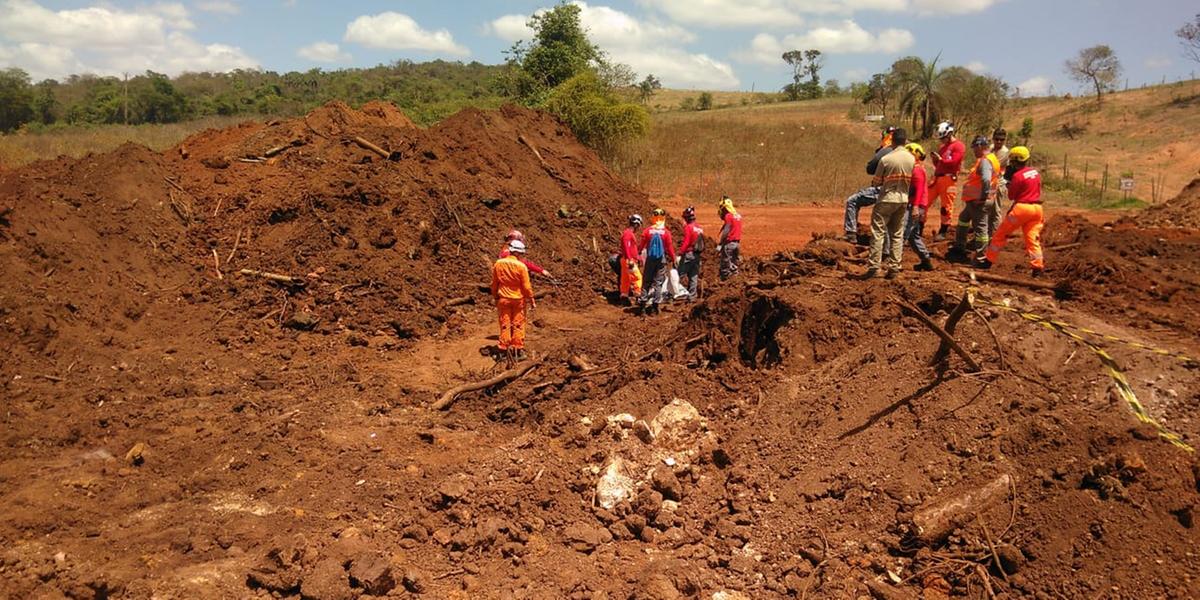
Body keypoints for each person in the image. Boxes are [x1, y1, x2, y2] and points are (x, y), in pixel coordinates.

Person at [979, 146, 1045, 275]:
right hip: (1037, 209)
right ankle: (1037, 267)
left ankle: (988, 261)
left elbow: (1011, 196)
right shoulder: (1035, 173)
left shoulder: (1018, 176)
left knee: (1000, 235)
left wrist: (1008, 184)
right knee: (1032, 239)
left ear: (1014, 161)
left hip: (1022, 209)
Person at [865, 128, 915, 279]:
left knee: (878, 232)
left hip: (887, 198)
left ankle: (874, 267)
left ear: (892, 141)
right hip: (903, 200)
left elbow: (876, 182)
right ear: (905, 141)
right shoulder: (911, 159)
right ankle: (894, 267)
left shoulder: (886, 159)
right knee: (897, 233)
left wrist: (876, 183)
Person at [948, 136, 1001, 263]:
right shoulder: (991, 159)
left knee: (981, 228)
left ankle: (981, 256)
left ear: (980, 146)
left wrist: (983, 197)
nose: (974, 151)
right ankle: (960, 246)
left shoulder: (985, 161)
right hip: (974, 201)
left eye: (974, 148)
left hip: (979, 202)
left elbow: (986, 180)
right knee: (963, 219)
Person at [844, 127, 900, 243]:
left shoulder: (885, 149)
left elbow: (870, 169)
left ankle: (851, 233)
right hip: (902, 191)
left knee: (852, 201)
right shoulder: (905, 152)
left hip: (883, 189)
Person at [491, 239, 536, 361]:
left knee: (505, 324)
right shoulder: (522, 266)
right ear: (518, 253)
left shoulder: (498, 264)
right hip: (518, 300)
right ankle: (518, 352)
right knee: (518, 324)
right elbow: (526, 287)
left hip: (503, 299)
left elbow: (494, 284)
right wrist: (531, 300)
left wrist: (495, 296)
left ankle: (503, 352)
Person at [929, 121, 966, 241]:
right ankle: (918, 227)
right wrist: (936, 160)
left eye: (944, 138)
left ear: (950, 134)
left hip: (949, 178)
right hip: (938, 177)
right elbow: (938, 164)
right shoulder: (942, 147)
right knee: (925, 201)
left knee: (946, 206)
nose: (942, 140)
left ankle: (943, 231)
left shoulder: (958, 146)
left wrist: (941, 160)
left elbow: (954, 162)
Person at [639, 208, 676, 314]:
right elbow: (669, 248)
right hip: (661, 259)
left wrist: (638, 254)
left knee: (646, 282)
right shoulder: (666, 233)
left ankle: (642, 305)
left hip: (650, 259)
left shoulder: (647, 231)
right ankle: (655, 306)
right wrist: (674, 259)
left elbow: (641, 246)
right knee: (658, 283)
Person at [904, 142, 935, 272]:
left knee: (902, 232)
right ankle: (926, 260)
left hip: (915, 205)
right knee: (913, 236)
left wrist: (915, 207)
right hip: (917, 205)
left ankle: (891, 262)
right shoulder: (916, 168)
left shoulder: (917, 170)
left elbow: (918, 190)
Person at [676, 206, 704, 301]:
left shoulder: (688, 227)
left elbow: (687, 241)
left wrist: (680, 252)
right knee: (693, 275)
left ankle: (674, 293)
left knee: (679, 274)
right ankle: (692, 296)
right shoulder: (699, 228)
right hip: (697, 255)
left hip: (689, 254)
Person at [988, 128, 1011, 240]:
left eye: (1001, 140)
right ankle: (988, 234)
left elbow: (992, 166)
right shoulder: (991, 148)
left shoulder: (1004, 152)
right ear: (993, 139)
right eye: (997, 139)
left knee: (996, 211)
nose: (999, 142)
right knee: (988, 209)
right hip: (990, 183)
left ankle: (996, 236)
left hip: (998, 183)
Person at [716, 196, 742, 280]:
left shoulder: (728, 216)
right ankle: (735, 280)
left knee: (725, 264)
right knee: (734, 262)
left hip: (729, 244)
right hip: (737, 244)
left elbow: (726, 231)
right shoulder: (738, 216)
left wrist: (720, 243)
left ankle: (725, 282)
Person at [619, 214, 643, 303]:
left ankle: (624, 296)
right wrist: (630, 259)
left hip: (626, 259)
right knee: (638, 278)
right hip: (628, 260)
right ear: (636, 224)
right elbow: (627, 246)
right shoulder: (628, 234)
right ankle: (639, 296)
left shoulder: (627, 233)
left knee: (626, 279)